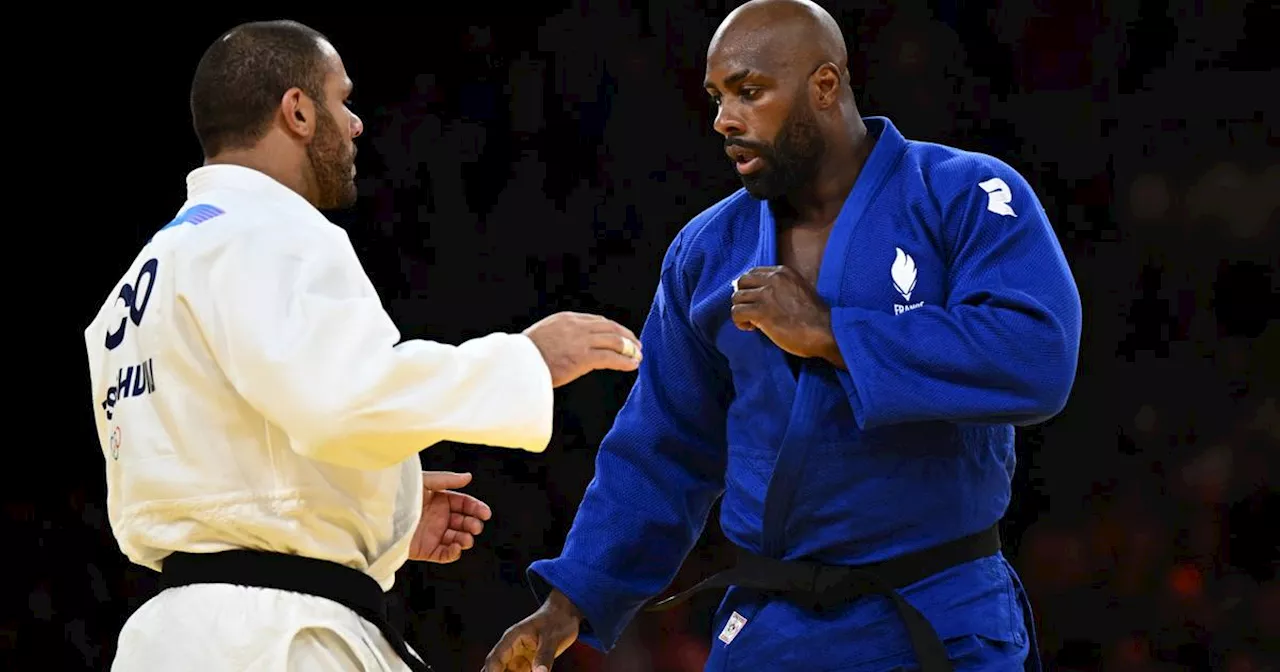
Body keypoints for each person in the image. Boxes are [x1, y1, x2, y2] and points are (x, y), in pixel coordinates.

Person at [483, 0, 1081, 670]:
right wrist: (568, 606)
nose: (724, 120)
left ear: (825, 86)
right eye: (715, 98)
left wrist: (833, 334)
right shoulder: (709, 251)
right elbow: (664, 447)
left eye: (749, 91)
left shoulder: (964, 194)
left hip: (938, 615)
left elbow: (1037, 353)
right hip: (775, 631)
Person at [83, 19, 643, 672]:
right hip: (275, 641)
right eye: (341, 99)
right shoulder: (270, 228)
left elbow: (230, 458)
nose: (354, 124)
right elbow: (337, 401)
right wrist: (525, 362)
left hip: (173, 640)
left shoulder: (141, 280)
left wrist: (381, 504)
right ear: (297, 110)